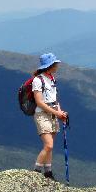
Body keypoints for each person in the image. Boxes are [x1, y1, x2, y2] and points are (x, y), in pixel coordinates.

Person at [31, 52, 68, 180]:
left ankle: (48, 172)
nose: (57, 65)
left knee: (50, 145)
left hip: (52, 114)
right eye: (55, 63)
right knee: (49, 145)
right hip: (42, 114)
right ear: (50, 65)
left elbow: (54, 99)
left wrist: (60, 112)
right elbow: (39, 102)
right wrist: (57, 113)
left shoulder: (51, 78)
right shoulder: (38, 80)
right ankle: (35, 173)